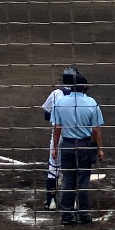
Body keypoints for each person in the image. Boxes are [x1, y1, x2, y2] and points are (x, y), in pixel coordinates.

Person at [50, 70, 105, 226]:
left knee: (68, 181)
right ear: (84, 88)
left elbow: (57, 128)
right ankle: (83, 214)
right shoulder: (91, 103)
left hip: (66, 145)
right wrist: (100, 149)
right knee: (83, 181)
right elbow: (95, 130)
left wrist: (54, 148)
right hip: (84, 146)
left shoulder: (60, 102)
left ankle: (66, 215)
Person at [40, 66, 80, 210]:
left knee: (53, 167)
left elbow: (46, 114)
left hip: (58, 135)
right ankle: (73, 202)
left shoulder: (56, 93)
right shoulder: (80, 95)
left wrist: (58, 116)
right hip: (75, 137)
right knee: (73, 170)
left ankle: (51, 201)